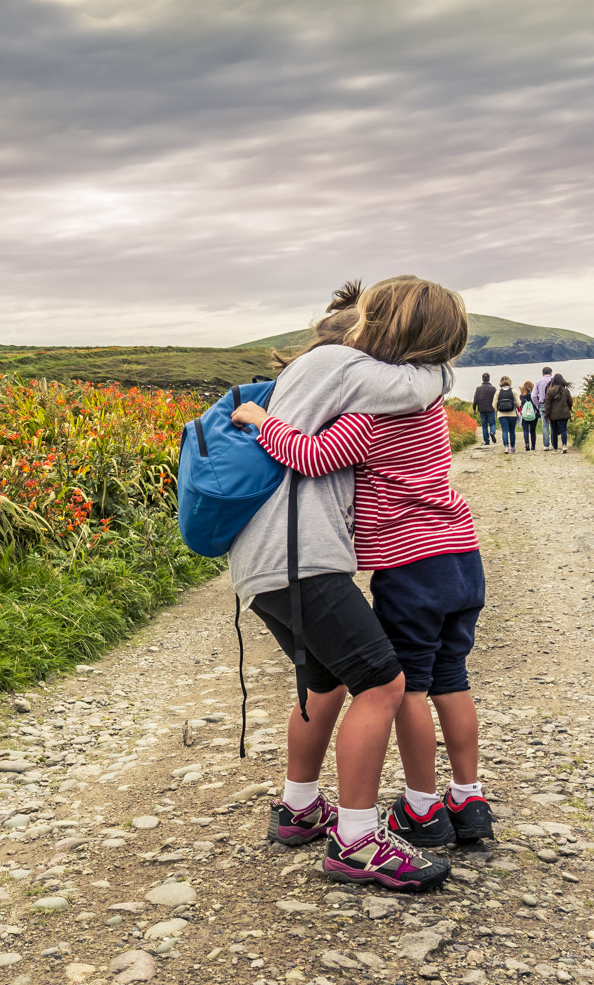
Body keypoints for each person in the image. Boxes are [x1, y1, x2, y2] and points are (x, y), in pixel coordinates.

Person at [229, 275, 460, 892]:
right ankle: (357, 842)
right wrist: (438, 360)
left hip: (263, 559)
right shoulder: (344, 362)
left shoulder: (312, 368)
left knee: (325, 679)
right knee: (384, 682)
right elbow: (427, 382)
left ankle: (301, 808)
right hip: (301, 556)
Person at [544, 372, 573, 451]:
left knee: (554, 431)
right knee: (563, 430)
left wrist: (546, 415)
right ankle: (564, 445)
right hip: (564, 413)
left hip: (553, 415)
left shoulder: (550, 390)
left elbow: (547, 404)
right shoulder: (565, 390)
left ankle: (555, 448)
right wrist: (569, 409)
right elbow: (570, 401)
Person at [531, 366, 554, 450]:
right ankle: (554, 443)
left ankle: (546, 445)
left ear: (542, 373)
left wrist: (538, 405)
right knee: (553, 424)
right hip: (553, 404)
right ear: (551, 373)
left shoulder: (538, 382)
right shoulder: (554, 380)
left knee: (545, 425)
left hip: (543, 404)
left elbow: (533, 396)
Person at [494, 376, 519, 454]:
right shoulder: (513, 391)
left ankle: (506, 447)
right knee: (512, 431)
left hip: (502, 414)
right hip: (512, 414)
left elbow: (494, 403)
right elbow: (518, 403)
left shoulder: (498, 392)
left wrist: (497, 410)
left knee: (504, 430)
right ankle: (513, 447)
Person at [472, 373, 497, 445]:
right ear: (489, 379)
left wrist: (474, 409)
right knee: (492, 423)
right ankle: (492, 432)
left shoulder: (478, 389)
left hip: (482, 409)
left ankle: (486, 441)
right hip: (491, 409)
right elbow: (496, 399)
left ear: (482, 379)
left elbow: (475, 400)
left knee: (484, 425)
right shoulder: (493, 388)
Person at [519, 381, 539, 451]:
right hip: (533, 415)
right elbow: (537, 404)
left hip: (525, 415)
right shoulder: (534, 396)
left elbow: (520, 405)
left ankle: (527, 444)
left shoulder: (521, 396)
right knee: (533, 431)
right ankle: (533, 446)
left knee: (525, 430)